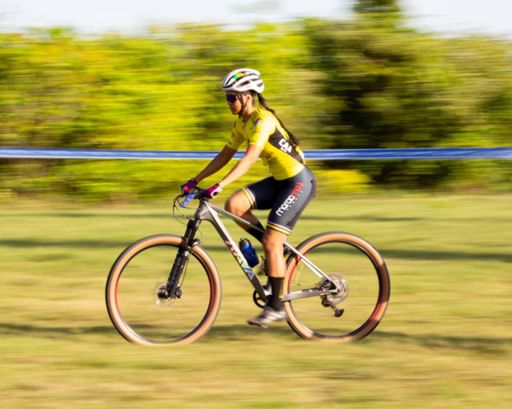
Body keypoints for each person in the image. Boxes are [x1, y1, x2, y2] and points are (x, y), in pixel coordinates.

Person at [181, 68, 316, 328]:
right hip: (280, 181)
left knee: (271, 241)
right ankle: (276, 251)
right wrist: (195, 180)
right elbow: (224, 155)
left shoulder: (262, 120)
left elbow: (250, 157)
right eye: (226, 98)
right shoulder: (241, 123)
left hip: (299, 182)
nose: (228, 102)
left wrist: (220, 184)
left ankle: (276, 307)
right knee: (235, 205)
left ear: (247, 97)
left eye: (232, 97)